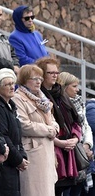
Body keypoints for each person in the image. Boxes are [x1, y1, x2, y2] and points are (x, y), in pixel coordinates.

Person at [12, 64, 59, 196]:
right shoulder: (18, 98)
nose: (39, 81)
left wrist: (54, 128)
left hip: (47, 152)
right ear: (25, 79)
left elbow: (53, 121)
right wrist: (49, 130)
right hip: (33, 153)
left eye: (40, 79)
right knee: (34, 191)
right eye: (34, 78)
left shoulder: (43, 99)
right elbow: (24, 125)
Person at [37, 57, 82, 194]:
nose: (55, 75)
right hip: (52, 147)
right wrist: (60, 143)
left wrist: (75, 138)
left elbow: (76, 120)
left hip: (68, 148)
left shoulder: (61, 93)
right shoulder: (38, 95)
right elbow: (40, 125)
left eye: (56, 72)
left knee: (64, 188)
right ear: (42, 74)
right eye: (51, 73)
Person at [0, 68, 29, 195]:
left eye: (12, 83)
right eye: (7, 84)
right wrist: (18, 159)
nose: (12, 87)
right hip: (5, 164)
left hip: (12, 163)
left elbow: (17, 136)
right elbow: (4, 135)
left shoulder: (10, 107)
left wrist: (22, 156)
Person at [58, 72, 94, 196]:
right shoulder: (60, 104)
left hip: (82, 151)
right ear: (64, 86)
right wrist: (79, 144)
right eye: (74, 86)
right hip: (70, 150)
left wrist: (88, 145)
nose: (77, 90)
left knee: (78, 190)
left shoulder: (79, 101)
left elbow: (86, 126)